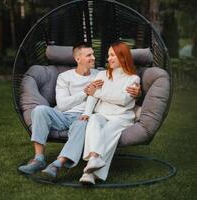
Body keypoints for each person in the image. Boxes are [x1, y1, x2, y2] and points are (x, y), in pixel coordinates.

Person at [18, 42, 140, 178]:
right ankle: (38, 159)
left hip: (83, 117)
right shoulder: (64, 77)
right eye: (89, 55)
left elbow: (118, 83)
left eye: (93, 54)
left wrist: (137, 92)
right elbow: (63, 105)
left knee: (82, 124)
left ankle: (58, 163)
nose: (94, 57)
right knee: (39, 110)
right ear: (78, 59)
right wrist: (86, 92)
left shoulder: (99, 74)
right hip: (62, 115)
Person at [78, 41, 140, 184]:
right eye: (108, 55)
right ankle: (94, 159)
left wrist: (99, 92)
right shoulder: (102, 74)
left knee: (106, 133)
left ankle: (90, 174)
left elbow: (123, 99)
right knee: (93, 121)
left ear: (123, 57)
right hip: (101, 113)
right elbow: (92, 95)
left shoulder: (133, 79)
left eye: (112, 55)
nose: (109, 59)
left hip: (121, 117)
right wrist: (87, 112)